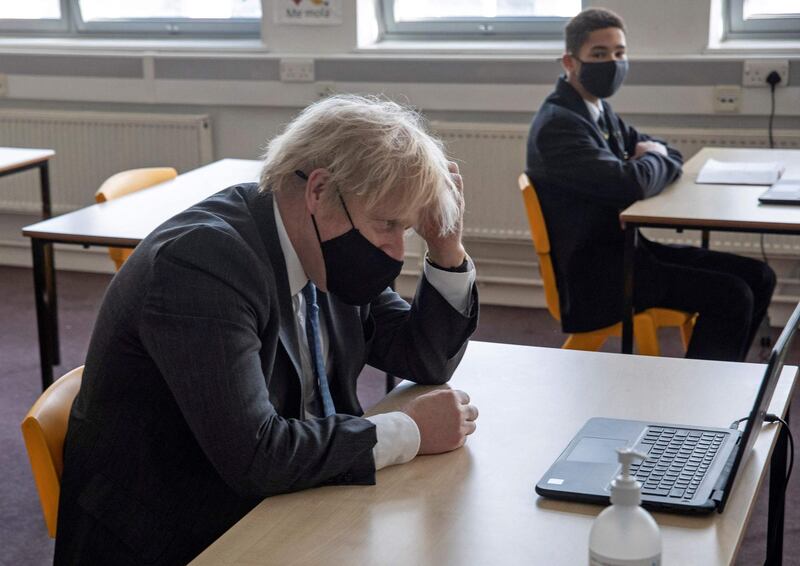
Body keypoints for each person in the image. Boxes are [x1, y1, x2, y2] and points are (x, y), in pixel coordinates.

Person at [55, 95, 480, 565]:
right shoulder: (203, 263)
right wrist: (409, 431)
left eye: (406, 230)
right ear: (319, 191)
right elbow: (255, 456)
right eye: (387, 225)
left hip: (287, 502)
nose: (396, 251)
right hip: (180, 533)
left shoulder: (326, 244)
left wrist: (447, 249)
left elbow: (426, 359)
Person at [526, 7, 775, 362]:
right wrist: (649, 161)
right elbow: (632, 184)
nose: (612, 62)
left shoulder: (595, 109)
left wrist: (649, 159)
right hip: (598, 276)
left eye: (619, 53)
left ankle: (724, 378)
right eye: (599, 54)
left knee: (759, 275)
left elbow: (666, 153)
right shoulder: (560, 124)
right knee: (732, 294)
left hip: (630, 251)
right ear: (569, 62)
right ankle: (702, 400)